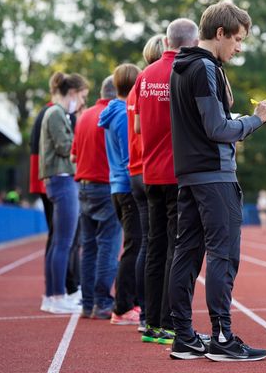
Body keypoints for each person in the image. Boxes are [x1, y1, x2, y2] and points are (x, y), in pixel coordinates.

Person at [168, 1, 266, 362]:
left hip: (189, 175)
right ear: (221, 33)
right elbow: (216, 129)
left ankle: (183, 337)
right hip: (214, 175)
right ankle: (222, 338)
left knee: (187, 254)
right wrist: (255, 120)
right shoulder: (205, 67)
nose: (239, 48)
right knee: (223, 256)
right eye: (238, 40)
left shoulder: (179, 66)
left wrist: (233, 119)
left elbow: (201, 123)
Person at [135, 19, 199, 344]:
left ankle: (150, 323)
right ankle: (170, 322)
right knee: (178, 246)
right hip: (177, 171)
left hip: (149, 172)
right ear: (193, 42)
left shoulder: (143, 75)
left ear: (165, 40)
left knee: (155, 246)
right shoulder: (187, 72)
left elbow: (136, 127)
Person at [38, 72, 88, 314]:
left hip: (59, 179)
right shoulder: (57, 113)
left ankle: (52, 295)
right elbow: (66, 147)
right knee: (64, 243)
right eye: (81, 97)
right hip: (62, 179)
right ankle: (57, 295)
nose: (81, 103)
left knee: (60, 242)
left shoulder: (57, 113)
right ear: (72, 93)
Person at [71, 76, 121, 318]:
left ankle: (87, 302)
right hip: (105, 186)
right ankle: (102, 302)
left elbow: (73, 156)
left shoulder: (84, 117)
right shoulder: (114, 114)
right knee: (108, 246)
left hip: (83, 187)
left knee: (88, 247)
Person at [98, 63, 143, 325]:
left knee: (133, 246)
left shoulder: (112, 111)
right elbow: (129, 157)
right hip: (127, 186)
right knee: (133, 247)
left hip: (117, 186)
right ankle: (123, 306)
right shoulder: (123, 115)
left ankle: (130, 302)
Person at [127, 34, 165, 333]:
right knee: (158, 245)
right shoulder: (156, 82)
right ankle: (154, 315)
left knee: (147, 244)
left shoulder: (137, 85)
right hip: (152, 167)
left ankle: (145, 314)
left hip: (135, 170)